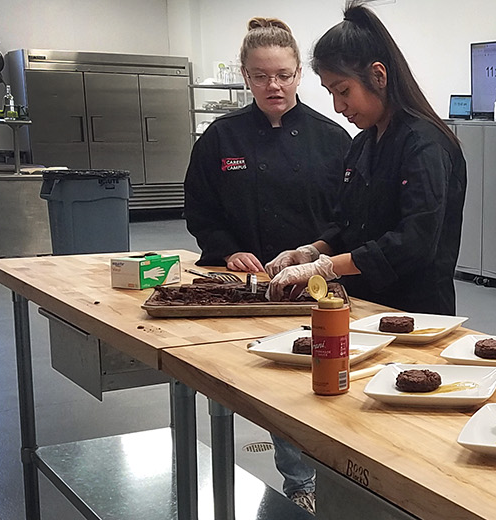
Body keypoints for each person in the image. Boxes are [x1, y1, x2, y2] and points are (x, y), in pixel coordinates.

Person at [183, 17, 351, 514]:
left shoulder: (332, 139)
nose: (272, 86)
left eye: (282, 74)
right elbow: (200, 209)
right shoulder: (221, 138)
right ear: (244, 75)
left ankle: (331, 478)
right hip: (243, 285)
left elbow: (349, 218)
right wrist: (226, 247)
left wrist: (312, 255)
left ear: (300, 74)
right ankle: (299, 479)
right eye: (260, 76)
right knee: (266, 382)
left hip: (315, 284)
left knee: (319, 376)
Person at [266, 1, 467, 321]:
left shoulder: (425, 144)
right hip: (363, 306)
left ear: (378, 75)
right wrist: (311, 251)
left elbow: (414, 242)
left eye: (343, 90)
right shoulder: (363, 144)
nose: (337, 106)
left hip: (415, 313)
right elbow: (347, 227)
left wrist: (327, 267)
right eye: (330, 92)